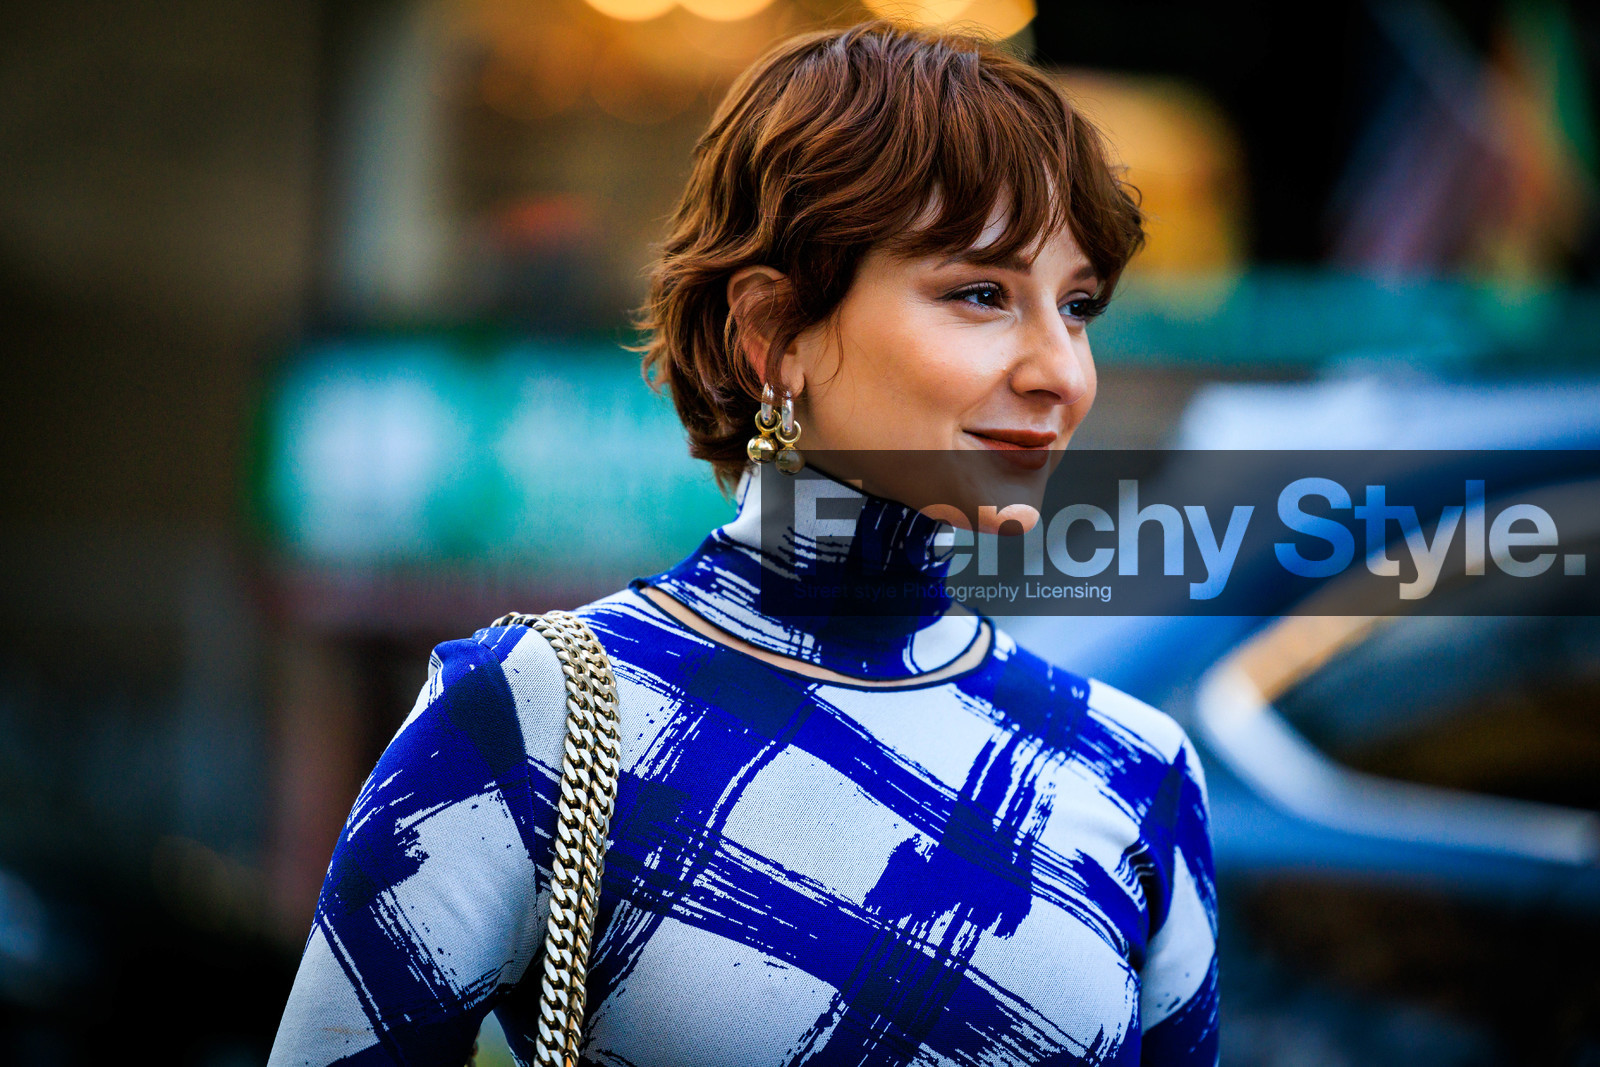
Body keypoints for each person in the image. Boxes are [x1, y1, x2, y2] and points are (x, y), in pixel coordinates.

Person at [268, 19, 1218, 1066]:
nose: (1060, 372)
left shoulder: (1135, 771)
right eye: (981, 293)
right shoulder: (529, 711)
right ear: (773, 333)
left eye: (1077, 306)